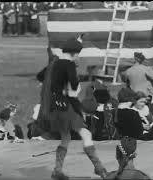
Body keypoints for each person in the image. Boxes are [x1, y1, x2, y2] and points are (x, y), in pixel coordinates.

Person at [38, 37, 108, 180]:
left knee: (66, 137)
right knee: (86, 134)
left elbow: (40, 76)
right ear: (75, 53)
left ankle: (57, 170)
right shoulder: (69, 64)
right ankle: (99, 168)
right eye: (78, 53)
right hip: (66, 106)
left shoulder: (53, 64)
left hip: (53, 107)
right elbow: (74, 86)